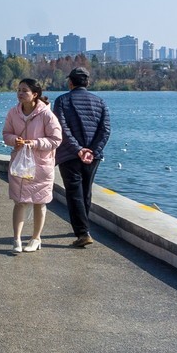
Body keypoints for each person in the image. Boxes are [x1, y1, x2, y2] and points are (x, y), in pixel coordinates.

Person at [3, 78, 63, 253]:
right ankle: (16, 239)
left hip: (41, 165)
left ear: (35, 94)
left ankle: (36, 238)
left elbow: (56, 139)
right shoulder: (13, 113)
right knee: (19, 201)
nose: (20, 94)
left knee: (39, 202)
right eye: (19, 90)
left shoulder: (46, 115)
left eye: (24, 91)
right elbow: (6, 133)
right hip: (20, 164)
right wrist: (15, 140)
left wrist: (35, 143)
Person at [53, 67, 111, 248]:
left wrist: (78, 150)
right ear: (88, 82)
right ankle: (83, 226)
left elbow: (62, 128)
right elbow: (105, 129)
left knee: (74, 192)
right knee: (86, 191)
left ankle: (82, 232)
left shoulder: (62, 101)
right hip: (93, 157)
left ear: (70, 82)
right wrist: (92, 150)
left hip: (69, 154)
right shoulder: (100, 102)